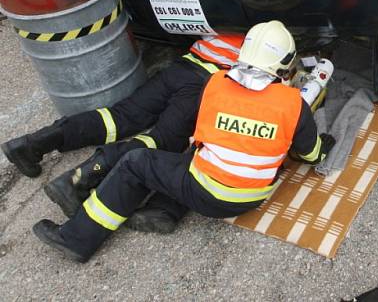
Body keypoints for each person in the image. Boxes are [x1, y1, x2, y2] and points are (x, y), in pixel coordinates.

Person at [32, 21, 334, 262]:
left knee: (137, 163)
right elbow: (309, 155)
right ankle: (165, 212)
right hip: (251, 199)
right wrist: (325, 146)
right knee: (197, 162)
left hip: (205, 192)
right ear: (286, 64)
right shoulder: (294, 102)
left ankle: (76, 239)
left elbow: (201, 141)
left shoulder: (216, 83)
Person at [2, 34, 244, 180]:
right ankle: (78, 180)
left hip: (184, 65)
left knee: (117, 118)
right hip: (207, 82)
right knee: (163, 142)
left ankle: (30, 144)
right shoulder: (276, 28)